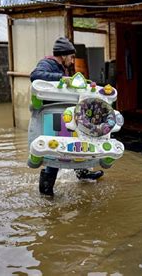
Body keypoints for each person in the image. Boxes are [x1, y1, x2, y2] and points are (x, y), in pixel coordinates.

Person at [30, 37, 104, 196]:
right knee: (55, 148)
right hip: (52, 115)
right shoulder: (47, 64)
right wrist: (62, 78)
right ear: (63, 55)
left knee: (76, 142)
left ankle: (83, 174)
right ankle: (46, 191)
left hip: (65, 113)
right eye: (71, 57)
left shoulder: (59, 67)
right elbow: (35, 75)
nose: (72, 61)